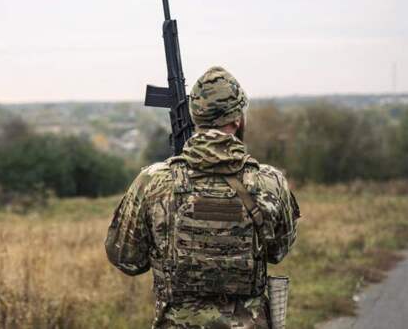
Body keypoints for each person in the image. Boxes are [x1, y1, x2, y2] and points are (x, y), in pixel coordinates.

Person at [105, 66, 300, 328]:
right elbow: (278, 252)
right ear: (238, 119)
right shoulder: (270, 182)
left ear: (194, 116)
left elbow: (126, 259)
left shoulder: (153, 182)